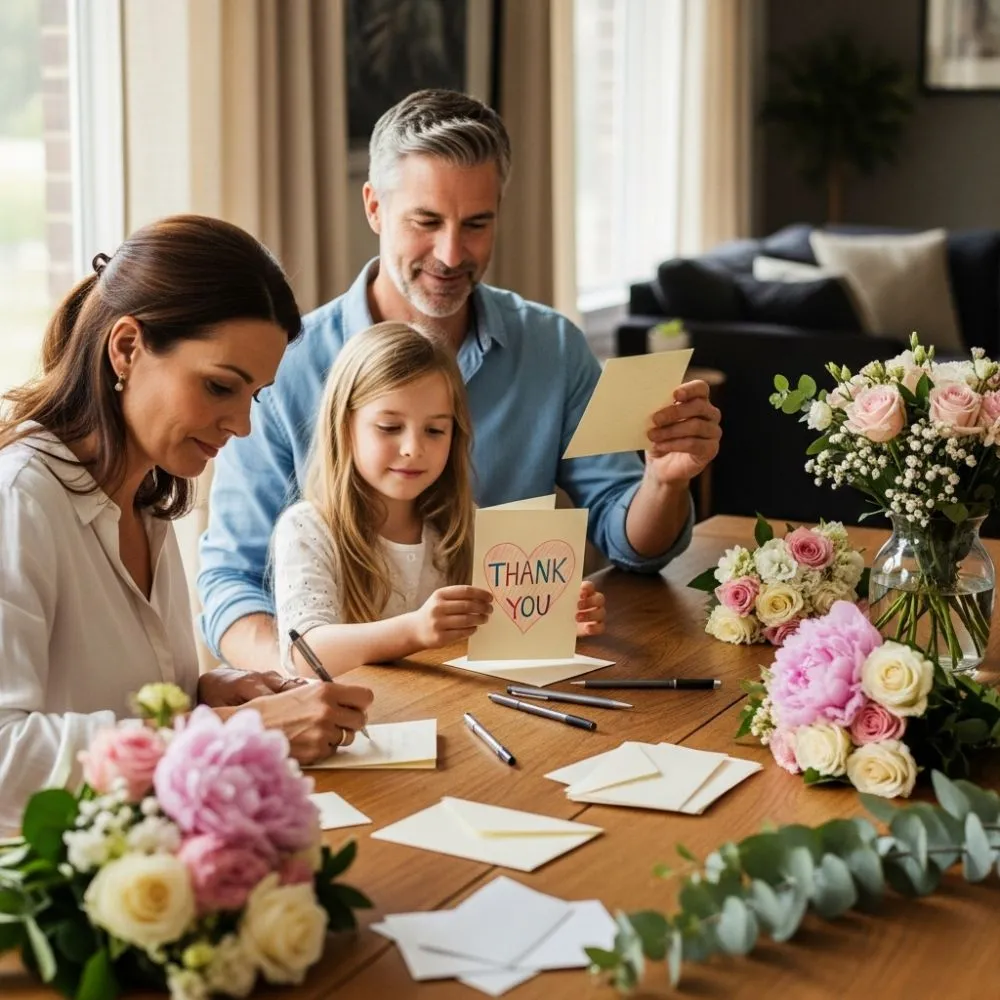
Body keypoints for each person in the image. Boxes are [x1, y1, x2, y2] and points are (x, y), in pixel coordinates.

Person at [199, 89, 722, 672]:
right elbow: (231, 580)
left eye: (476, 224)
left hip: (511, 688)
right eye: (425, 222)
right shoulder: (286, 362)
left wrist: (665, 482)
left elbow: (631, 543)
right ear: (374, 207)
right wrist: (306, 670)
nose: (451, 254)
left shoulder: (551, 347)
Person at [0, 215, 373, 832]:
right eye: (219, 386)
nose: (242, 425)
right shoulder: (20, 503)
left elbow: (106, 704)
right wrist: (222, 732)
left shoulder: (144, 498)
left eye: (252, 395)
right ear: (126, 348)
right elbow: (8, 758)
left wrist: (204, 694)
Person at [272, 321, 606, 677]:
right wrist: (414, 630)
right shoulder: (307, 529)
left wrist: (552, 617)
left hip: (448, 712)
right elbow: (305, 654)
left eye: (434, 430)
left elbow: (498, 629)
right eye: (389, 427)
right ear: (344, 425)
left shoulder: (462, 524)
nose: (413, 449)